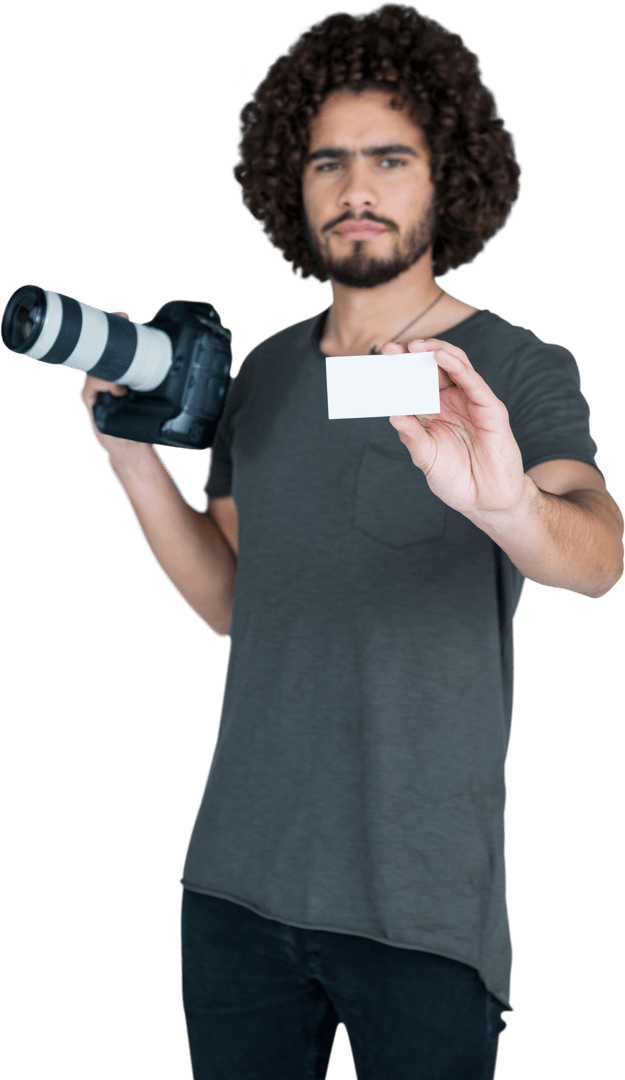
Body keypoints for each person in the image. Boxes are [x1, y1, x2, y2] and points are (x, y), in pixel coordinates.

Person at [79, 5, 623, 1078]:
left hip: (418, 905)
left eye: (389, 158)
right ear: (293, 181)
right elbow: (239, 602)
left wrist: (506, 504)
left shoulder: (511, 365)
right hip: (235, 882)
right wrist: (132, 462)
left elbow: (600, 557)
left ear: (445, 177)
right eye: (327, 162)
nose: (355, 188)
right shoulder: (270, 372)